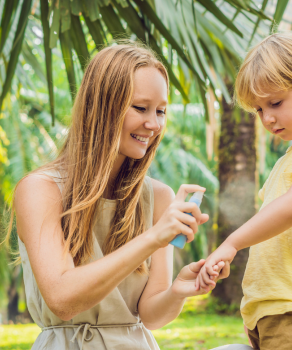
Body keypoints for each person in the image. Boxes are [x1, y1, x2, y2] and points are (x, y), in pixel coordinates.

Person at [7, 43, 229, 350]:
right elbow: (62, 299)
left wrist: (179, 289)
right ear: (101, 106)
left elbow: (150, 315)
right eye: (140, 108)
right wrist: (153, 237)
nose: (154, 124)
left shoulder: (158, 197)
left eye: (161, 111)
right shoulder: (41, 190)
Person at [196, 31, 292, 349]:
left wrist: (232, 243)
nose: (267, 118)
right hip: (271, 314)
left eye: (275, 103)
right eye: (258, 110)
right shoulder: (290, 158)